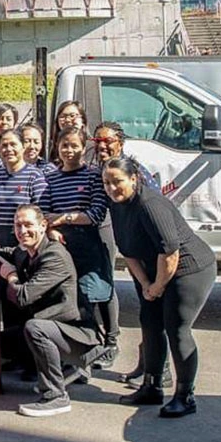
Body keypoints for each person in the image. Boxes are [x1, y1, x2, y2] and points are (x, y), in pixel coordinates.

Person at [103, 156, 217, 417]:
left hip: (189, 269)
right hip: (155, 272)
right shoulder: (116, 204)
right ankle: (151, 387)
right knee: (149, 321)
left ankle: (185, 396)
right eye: (106, 182)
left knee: (176, 328)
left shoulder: (149, 204)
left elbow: (171, 252)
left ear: (134, 179)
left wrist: (157, 286)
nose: (111, 187)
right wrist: (146, 284)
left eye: (117, 181)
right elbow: (127, 250)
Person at [0, 205, 102, 417]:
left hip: (79, 337)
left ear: (43, 226)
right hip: (53, 327)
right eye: (18, 225)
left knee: (35, 328)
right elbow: (0, 251)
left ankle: (56, 396)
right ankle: (63, 368)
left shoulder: (55, 256)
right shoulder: (27, 251)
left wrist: (11, 276)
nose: (22, 230)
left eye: (28, 225)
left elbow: (23, 296)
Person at [92, 120, 162, 383]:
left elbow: (152, 206)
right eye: (97, 141)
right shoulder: (102, 170)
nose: (102, 146)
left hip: (151, 249)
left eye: (107, 141)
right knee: (147, 311)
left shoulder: (133, 170)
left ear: (120, 142)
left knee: (153, 311)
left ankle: (158, 371)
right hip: (133, 249)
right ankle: (146, 366)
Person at [39, 126, 115, 364]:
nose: (69, 150)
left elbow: (96, 214)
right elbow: (44, 212)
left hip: (88, 244)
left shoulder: (93, 175)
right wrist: (51, 229)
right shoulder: (50, 178)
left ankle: (104, 345)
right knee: (69, 301)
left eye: (74, 145)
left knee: (92, 296)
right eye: (64, 145)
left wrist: (62, 218)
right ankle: (77, 352)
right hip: (61, 245)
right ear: (57, 147)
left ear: (84, 148)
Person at [0, 128, 48, 247]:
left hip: (26, 246)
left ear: (23, 147)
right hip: (0, 244)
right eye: (4, 145)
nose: (9, 149)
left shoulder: (34, 176)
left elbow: (42, 214)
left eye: (13, 144)